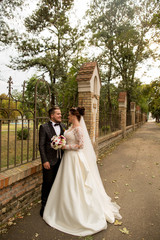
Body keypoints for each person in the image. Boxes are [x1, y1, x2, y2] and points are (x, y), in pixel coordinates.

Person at [43, 107, 122, 236]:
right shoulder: (70, 127)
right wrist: (58, 143)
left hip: (74, 159)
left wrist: (65, 147)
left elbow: (81, 145)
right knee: (66, 183)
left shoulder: (79, 128)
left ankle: (78, 213)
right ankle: (62, 209)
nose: (67, 116)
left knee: (77, 183)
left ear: (74, 116)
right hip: (67, 159)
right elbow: (67, 138)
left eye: (69, 115)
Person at [39, 106, 65, 217]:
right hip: (49, 161)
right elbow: (41, 145)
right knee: (47, 183)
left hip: (62, 160)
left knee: (58, 183)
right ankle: (44, 207)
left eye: (60, 113)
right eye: (58, 114)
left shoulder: (63, 126)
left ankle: (55, 206)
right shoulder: (44, 127)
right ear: (52, 115)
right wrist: (44, 161)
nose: (60, 115)